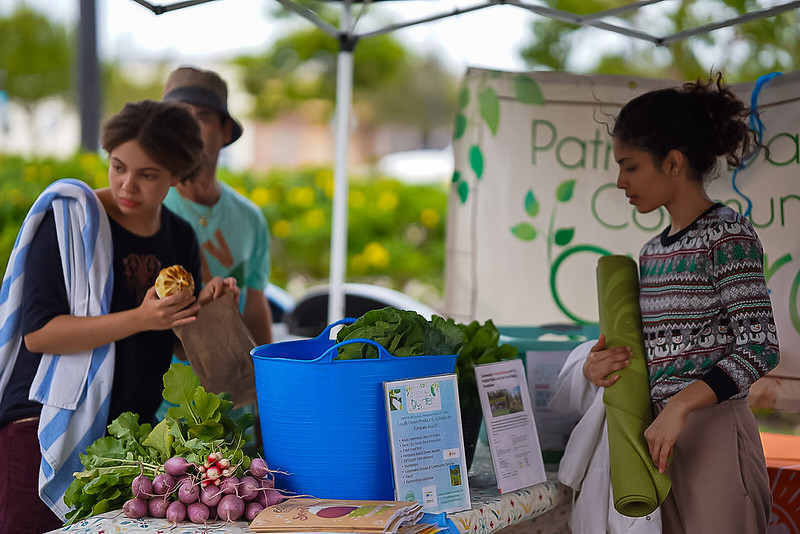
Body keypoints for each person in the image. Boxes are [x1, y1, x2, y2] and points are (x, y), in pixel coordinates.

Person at [0, 100, 238, 531]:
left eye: (148, 175)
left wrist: (208, 309)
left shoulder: (180, 235)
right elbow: (39, 334)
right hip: (43, 427)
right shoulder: (71, 221)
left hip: (125, 437)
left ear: (176, 177)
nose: (128, 185)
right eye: (118, 166)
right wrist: (142, 318)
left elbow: (171, 335)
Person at [583, 74, 780, 533]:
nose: (619, 181)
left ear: (672, 162)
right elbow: (653, 358)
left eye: (629, 166)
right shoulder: (650, 253)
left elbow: (761, 347)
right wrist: (601, 366)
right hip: (661, 442)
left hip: (713, 432)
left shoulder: (727, 234)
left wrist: (680, 407)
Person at [161, 66, 273, 346]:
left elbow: (256, 307)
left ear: (225, 131)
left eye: (202, 117)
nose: (189, 127)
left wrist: (268, 381)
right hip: (160, 385)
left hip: (229, 383)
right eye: (178, 118)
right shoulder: (146, 208)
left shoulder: (251, 218)